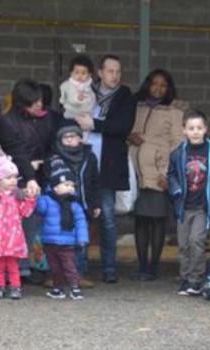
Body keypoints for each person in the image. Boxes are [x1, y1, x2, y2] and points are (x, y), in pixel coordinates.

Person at [76, 54, 137, 284]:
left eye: (118, 71)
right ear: (100, 73)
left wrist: (94, 124)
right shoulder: (84, 92)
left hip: (108, 167)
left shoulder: (125, 96)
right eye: (110, 71)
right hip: (83, 165)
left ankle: (109, 268)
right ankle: (79, 268)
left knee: (108, 218)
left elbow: (123, 127)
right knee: (81, 215)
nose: (115, 75)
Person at [167, 110, 210, 295]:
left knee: (196, 241)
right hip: (184, 207)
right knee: (184, 244)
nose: (195, 132)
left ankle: (196, 279)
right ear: (184, 130)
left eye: (199, 128)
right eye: (191, 128)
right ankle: (185, 278)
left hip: (203, 207)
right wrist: (176, 190)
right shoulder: (179, 153)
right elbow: (171, 174)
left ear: (205, 129)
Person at [0, 78, 58, 280]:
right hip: (15, 179)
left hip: (38, 177)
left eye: (40, 100)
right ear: (23, 102)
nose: (39, 104)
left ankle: (28, 267)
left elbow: (51, 145)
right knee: (14, 225)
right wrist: (29, 169)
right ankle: (14, 270)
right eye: (34, 101)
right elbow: (14, 152)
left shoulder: (44, 119)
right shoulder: (6, 122)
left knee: (33, 225)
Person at [129, 69, 185, 281]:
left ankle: (153, 266)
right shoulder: (137, 107)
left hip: (158, 173)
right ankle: (142, 264)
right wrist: (130, 137)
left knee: (157, 220)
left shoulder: (173, 111)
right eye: (154, 84)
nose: (158, 88)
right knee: (140, 221)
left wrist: (166, 173)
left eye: (163, 85)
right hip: (136, 172)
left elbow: (177, 144)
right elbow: (126, 131)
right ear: (147, 84)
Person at [44, 125, 99, 283]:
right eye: (65, 137)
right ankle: (56, 276)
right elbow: (47, 181)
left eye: (73, 136)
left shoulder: (89, 156)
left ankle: (79, 275)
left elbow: (95, 181)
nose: (69, 139)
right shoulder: (52, 158)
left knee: (80, 240)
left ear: (80, 138)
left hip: (83, 203)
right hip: (58, 206)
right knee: (56, 242)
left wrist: (96, 203)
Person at [0, 156, 37, 300]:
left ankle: (15, 287)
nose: (13, 181)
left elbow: (26, 212)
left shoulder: (18, 196)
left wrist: (30, 199)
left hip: (13, 238)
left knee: (13, 265)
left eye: (15, 177)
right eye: (8, 178)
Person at [38, 162, 90, 300]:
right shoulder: (46, 201)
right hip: (50, 242)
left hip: (67, 242)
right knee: (55, 268)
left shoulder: (74, 205)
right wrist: (36, 197)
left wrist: (82, 239)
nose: (70, 188)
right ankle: (57, 288)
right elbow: (39, 209)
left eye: (72, 185)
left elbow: (81, 223)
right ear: (55, 187)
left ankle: (75, 288)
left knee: (70, 266)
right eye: (66, 185)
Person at [59, 55, 96, 125]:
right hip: (71, 116)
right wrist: (78, 98)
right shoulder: (69, 85)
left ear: (89, 75)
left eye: (83, 73)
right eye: (76, 72)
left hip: (86, 116)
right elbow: (69, 98)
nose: (80, 76)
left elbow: (92, 99)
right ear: (71, 73)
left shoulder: (88, 86)